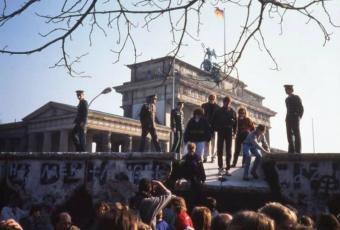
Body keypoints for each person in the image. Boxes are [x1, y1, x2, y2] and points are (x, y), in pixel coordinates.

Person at [212, 96, 237, 176]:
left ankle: (227, 169)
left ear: (230, 103)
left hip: (229, 131)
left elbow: (235, 123)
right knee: (219, 149)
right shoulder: (218, 111)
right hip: (221, 131)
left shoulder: (232, 111)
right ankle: (220, 168)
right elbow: (213, 120)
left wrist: (235, 132)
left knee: (228, 151)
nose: (227, 103)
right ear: (223, 102)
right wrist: (216, 128)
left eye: (228, 102)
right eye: (225, 102)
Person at [284, 84, 304, 153]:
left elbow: (301, 108)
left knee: (296, 134)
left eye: (287, 89)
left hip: (295, 117)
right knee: (289, 134)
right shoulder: (287, 99)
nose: (286, 91)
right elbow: (288, 109)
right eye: (286, 90)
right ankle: (291, 150)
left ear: (291, 90)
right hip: (288, 118)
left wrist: (298, 116)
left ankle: (298, 150)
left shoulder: (296, 97)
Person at [201, 94, 220, 163]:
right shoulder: (204, 106)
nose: (211, 100)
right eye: (210, 98)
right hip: (206, 127)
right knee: (206, 143)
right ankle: (205, 157)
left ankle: (213, 157)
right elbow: (202, 116)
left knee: (214, 144)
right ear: (208, 98)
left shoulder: (218, 107)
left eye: (213, 98)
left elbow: (218, 119)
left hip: (214, 128)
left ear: (215, 99)